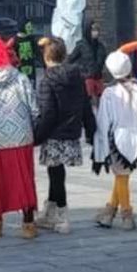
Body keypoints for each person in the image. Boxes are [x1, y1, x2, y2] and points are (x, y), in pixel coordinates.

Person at [0, 35, 39, 239]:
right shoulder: (21, 78)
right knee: (25, 179)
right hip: (22, 139)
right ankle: (28, 224)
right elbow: (35, 109)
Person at [93, 50, 137, 231]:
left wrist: (99, 152)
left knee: (121, 175)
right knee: (122, 175)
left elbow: (103, 122)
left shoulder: (110, 93)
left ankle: (126, 214)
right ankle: (109, 211)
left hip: (118, 138)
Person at [32, 36, 90, 235]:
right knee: (55, 172)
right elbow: (85, 105)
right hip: (71, 132)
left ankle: (62, 215)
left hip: (54, 133)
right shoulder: (77, 76)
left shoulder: (48, 79)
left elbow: (47, 112)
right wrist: (91, 130)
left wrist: (37, 136)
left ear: (46, 57)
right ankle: (50, 211)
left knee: (56, 174)